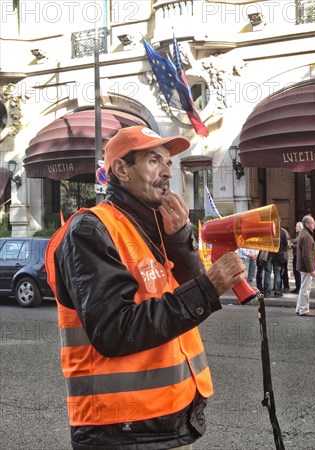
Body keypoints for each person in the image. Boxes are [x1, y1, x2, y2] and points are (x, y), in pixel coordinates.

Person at [45, 126, 246, 449]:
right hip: (121, 431)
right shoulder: (91, 230)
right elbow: (115, 329)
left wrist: (180, 239)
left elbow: (186, 296)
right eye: (154, 160)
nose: (167, 172)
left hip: (169, 422)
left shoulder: (152, 226)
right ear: (121, 170)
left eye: (168, 162)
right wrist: (209, 287)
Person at [295, 215, 315, 316]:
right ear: (307, 224)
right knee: (306, 289)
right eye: (312, 222)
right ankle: (304, 309)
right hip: (305, 267)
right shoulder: (306, 236)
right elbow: (307, 255)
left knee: (303, 287)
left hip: (303, 266)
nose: (314, 224)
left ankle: (299, 308)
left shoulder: (303, 233)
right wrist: (311, 269)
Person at [264, 227, 288, 298]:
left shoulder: (268, 231)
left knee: (267, 273)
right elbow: (286, 243)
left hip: (269, 253)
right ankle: (277, 292)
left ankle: (267, 293)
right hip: (278, 254)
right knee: (277, 273)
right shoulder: (282, 232)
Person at [291, 221, 303, 294]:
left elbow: (299, 246)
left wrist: (291, 245)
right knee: (295, 272)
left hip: (299, 256)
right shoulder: (297, 235)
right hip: (295, 255)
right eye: (296, 226)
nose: (296, 228)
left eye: (297, 226)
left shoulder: (301, 235)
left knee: (298, 272)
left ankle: (299, 288)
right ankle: (297, 287)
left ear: (300, 227)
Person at [280, 227, 291, 293]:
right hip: (277, 254)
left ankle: (286, 286)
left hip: (283, 254)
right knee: (278, 272)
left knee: (284, 271)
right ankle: (278, 286)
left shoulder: (284, 231)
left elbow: (288, 242)